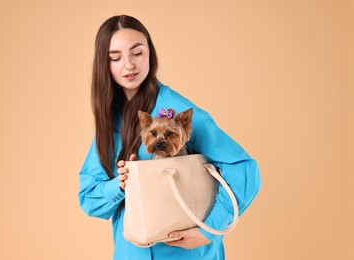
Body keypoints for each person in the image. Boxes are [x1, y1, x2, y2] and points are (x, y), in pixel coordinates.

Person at [78, 14, 261, 260]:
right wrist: (121, 184)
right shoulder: (111, 121)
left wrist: (210, 230)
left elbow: (244, 169)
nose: (129, 65)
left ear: (150, 54)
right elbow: (89, 197)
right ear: (104, 64)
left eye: (137, 52)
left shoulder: (175, 109)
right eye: (116, 57)